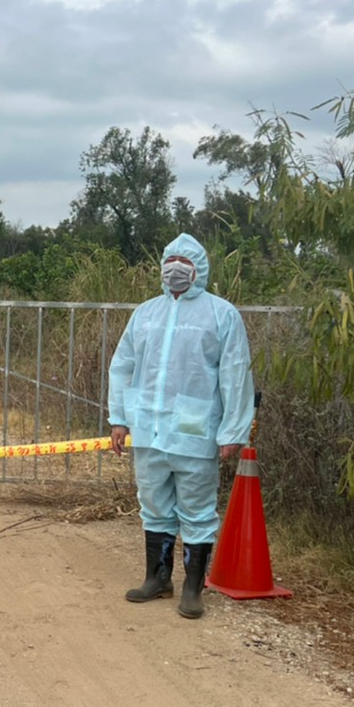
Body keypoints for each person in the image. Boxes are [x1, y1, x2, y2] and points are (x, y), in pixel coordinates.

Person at [107, 233, 254, 619]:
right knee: (154, 505)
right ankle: (157, 579)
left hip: (195, 431)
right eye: (170, 259)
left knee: (197, 509)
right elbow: (122, 366)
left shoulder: (221, 314)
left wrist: (233, 432)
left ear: (199, 269)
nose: (175, 267)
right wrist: (119, 418)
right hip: (148, 428)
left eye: (184, 261)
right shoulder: (145, 313)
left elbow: (236, 375)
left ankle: (193, 588)